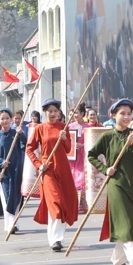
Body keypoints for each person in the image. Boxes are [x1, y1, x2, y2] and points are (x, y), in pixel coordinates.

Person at [87, 99, 133, 265]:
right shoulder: (107, 137)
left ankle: (118, 258)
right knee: (127, 223)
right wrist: (105, 169)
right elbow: (91, 155)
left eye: (129, 113)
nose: (126, 117)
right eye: (122, 113)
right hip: (116, 184)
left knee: (128, 224)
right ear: (113, 115)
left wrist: (132, 144)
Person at [26, 99, 79, 251]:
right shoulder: (40, 129)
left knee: (65, 202)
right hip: (48, 170)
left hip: (63, 169)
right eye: (50, 111)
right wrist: (38, 164)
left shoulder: (64, 127)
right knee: (55, 203)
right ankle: (55, 239)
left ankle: (57, 238)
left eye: (55, 110)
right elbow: (29, 149)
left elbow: (68, 149)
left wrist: (64, 139)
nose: (53, 113)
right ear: (45, 112)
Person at [0, 108, 26, 232]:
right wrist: (0, 162)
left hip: (17, 170)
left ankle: (15, 222)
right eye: (2, 119)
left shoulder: (16, 133)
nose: (5, 121)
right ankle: (9, 225)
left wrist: (21, 135)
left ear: (11, 120)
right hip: (4, 172)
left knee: (17, 197)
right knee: (7, 196)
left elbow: (26, 145)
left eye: (7, 118)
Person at [67, 104, 92, 213]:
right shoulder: (69, 126)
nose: (75, 115)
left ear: (82, 113)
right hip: (72, 157)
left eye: (77, 112)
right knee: (72, 178)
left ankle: (82, 205)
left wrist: (82, 145)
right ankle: (72, 204)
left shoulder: (88, 128)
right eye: (73, 112)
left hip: (83, 156)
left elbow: (92, 142)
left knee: (81, 179)